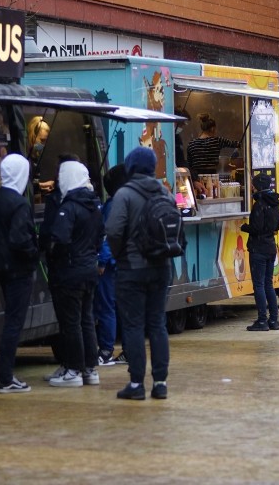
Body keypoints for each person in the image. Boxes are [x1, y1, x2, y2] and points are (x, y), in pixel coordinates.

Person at [106, 147, 175, 400]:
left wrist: (120, 254)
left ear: (131, 167)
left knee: (133, 325)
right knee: (157, 325)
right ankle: (160, 383)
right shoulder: (165, 193)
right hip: (161, 267)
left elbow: (113, 230)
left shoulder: (124, 194)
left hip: (132, 269)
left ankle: (136, 384)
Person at [0, 153, 38, 394]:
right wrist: (34, 252)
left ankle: (2, 374)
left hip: (0, 267)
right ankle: (5, 376)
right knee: (14, 323)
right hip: (19, 269)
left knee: (10, 320)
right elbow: (20, 239)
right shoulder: (20, 204)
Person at [46, 160, 104, 388]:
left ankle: (73, 369)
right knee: (87, 319)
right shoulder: (95, 204)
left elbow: (58, 238)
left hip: (70, 270)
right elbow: (100, 236)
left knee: (70, 322)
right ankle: (90, 368)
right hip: (90, 268)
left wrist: (54, 252)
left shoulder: (68, 207)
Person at [95, 164, 128, 366]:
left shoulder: (113, 204)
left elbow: (108, 236)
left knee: (106, 307)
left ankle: (106, 350)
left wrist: (101, 261)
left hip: (111, 265)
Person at [241, 173, 279, 331]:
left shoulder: (259, 204)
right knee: (268, 284)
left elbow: (256, 228)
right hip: (271, 247)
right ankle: (274, 320)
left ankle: (262, 321)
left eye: (253, 184)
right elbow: (277, 226)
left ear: (258, 186)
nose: (251, 187)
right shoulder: (275, 203)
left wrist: (244, 227)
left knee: (258, 285)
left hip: (258, 248)